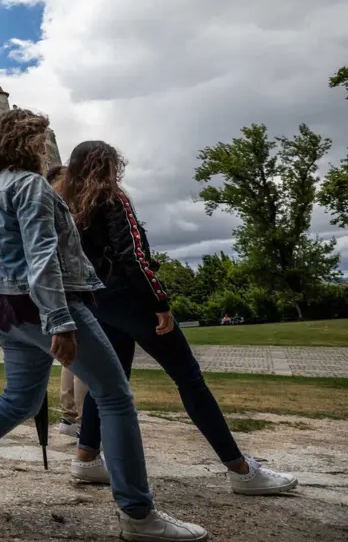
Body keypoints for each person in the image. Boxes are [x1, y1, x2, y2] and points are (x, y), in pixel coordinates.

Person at [0, 110, 206, 542]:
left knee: (18, 398)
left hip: (6, 311)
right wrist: (62, 323)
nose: (43, 148)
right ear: (28, 145)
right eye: (38, 140)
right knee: (114, 397)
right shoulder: (30, 186)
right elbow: (42, 259)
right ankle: (138, 513)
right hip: (44, 308)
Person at [62, 140, 297, 497]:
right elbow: (135, 258)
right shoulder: (113, 199)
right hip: (130, 297)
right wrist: (160, 302)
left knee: (107, 381)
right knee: (189, 377)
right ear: (108, 167)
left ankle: (87, 455)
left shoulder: (72, 208)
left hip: (100, 301)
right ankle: (240, 469)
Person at [46, 164, 87, 439]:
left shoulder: (46, 207)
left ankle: (70, 417)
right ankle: (86, 422)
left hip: (60, 292)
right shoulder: (69, 211)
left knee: (70, 359)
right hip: (78, 289)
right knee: (88, 361)